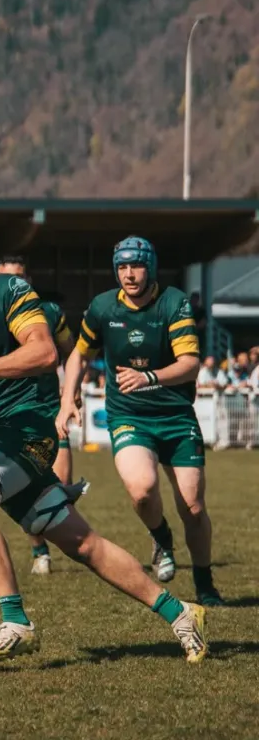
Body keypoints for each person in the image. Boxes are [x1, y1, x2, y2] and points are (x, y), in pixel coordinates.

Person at [0, 213, 207, 663]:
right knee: (81, 544)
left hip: (27, 426)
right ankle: (182, 612)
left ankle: (16, 620)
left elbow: (43, 351)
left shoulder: (7, 292)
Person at [57, 237, 223, 607]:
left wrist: (150, 378)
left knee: (193, 507)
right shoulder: (102, 307)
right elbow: (79, 355)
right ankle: (161, 538)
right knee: (142, 491)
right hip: (128, 415)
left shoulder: (173, 302)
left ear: (150, 267)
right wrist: (69, 397)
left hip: (176, 416)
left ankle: (205, 583)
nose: (129, 275)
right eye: (122, 267)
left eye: (136, 266)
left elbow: (190, 363)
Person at [0, 255, 77, 577]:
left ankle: (53, 541)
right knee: (26, 490)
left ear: (28, 280)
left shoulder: (51, 313)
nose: (14, 284)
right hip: (13, 413)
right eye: (6, 278)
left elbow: (71, 354)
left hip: (50, 410)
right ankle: (39, 551)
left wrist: (72, 392)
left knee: (62, 485)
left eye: (19, 277)